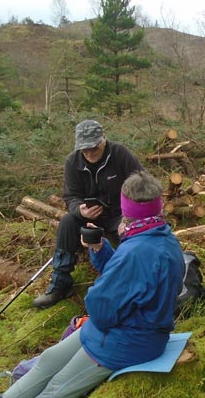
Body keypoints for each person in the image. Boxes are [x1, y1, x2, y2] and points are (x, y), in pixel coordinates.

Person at [2, 170, 185, 398]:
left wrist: (100, 291)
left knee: (56, 388)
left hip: (126, 341)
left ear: (126, 207)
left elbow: (101, 308)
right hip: (116, 330)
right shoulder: (161, 237)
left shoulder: (136, 251)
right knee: (48, 360)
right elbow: (133, 281)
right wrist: (100, 248)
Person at [33, 119, 143, 309]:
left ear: (103, 140)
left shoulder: (119, 154)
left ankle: (134, 285)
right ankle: (60, 283)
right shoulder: (72, 161)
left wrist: (128, 217)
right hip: (89, 218)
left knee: (133, 236)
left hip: (120, 215)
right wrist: (80, 210)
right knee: (67, 221)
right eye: (85, 149)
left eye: (93, 147)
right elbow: (71, 196)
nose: (89, 153)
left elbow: (142, 184)